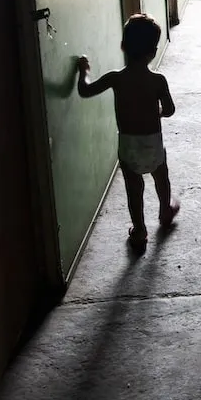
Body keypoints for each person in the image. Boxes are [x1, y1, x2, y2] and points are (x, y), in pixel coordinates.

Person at [77, 14, 179, 248]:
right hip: (153, 143)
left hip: (128, 145)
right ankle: (165, 211)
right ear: (153, 52)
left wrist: (83, 70)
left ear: (123, 46)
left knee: (134, 188)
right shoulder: (158, 81)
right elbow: (170, 110)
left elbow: (85, 91)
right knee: (161, 177)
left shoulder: (116, 79)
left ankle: (140, 230)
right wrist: (158, 112)